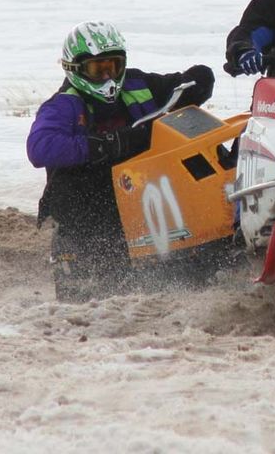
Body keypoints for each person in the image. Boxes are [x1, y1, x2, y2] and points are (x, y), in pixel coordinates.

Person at [27, 20, 214, 296]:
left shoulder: (138, 83)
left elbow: (185, 82)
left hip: (146, 194)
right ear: (76, 69)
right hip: (88, 207)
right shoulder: (64, 104)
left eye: (112, 67)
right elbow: (39, 147)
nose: (107, 77)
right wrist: (105, 145)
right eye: (97, 69)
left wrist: (198, 81)